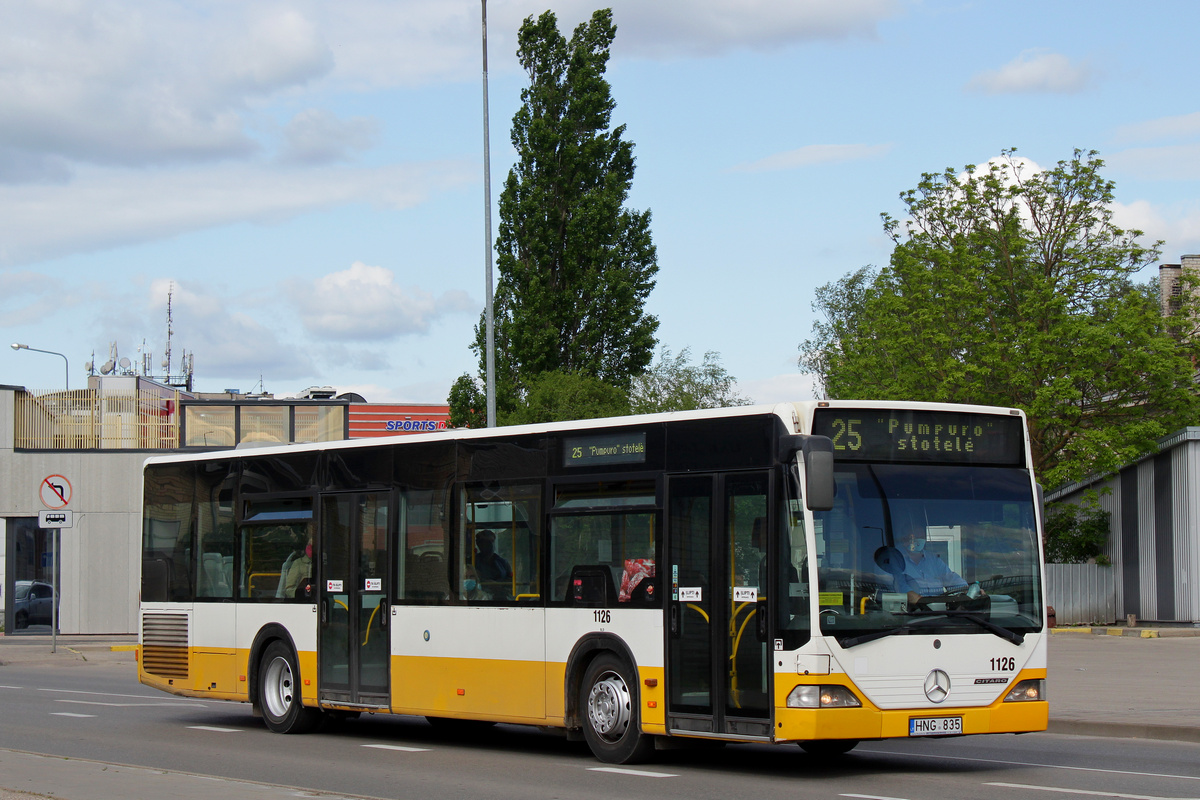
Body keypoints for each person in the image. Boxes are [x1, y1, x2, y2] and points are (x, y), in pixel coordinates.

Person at [892, 521, 970, 606]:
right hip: (909, 612)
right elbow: (899, 586)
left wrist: (968, 591)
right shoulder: (895, 559)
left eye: (922, 537)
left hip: (940, 611)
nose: (920, 540)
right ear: (904, 539)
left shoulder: (933, 559)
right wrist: (919, 601)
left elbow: (950, 578)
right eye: (915, 538)